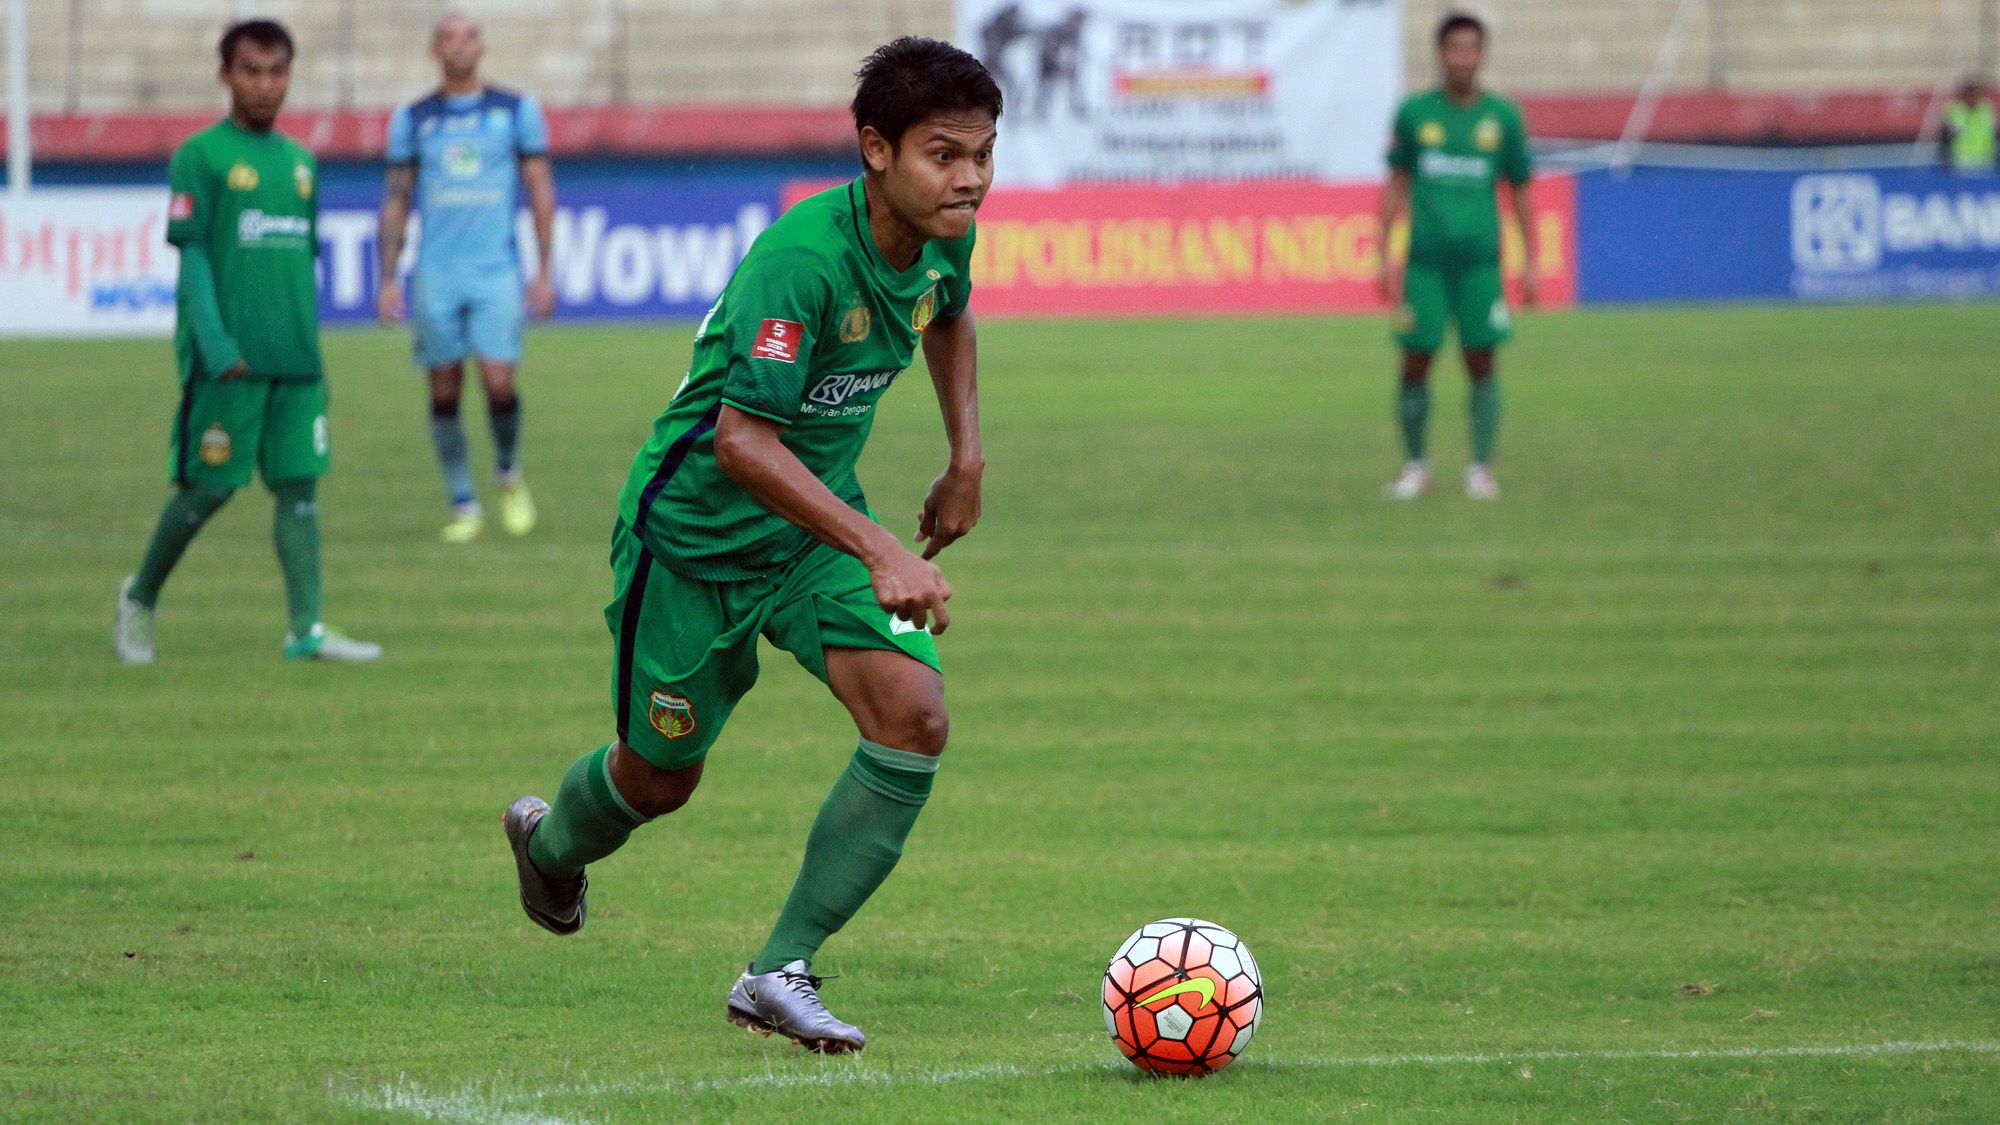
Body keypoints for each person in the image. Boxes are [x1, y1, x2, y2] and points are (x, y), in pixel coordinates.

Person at [501, 36, 999, 1054]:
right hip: (692, 540)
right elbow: (739, 441)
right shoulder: (800, 261)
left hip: (812, 534)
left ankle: (778, 970)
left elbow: (945, 314)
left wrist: (965, 456)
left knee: (913, 715)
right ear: (874, 151)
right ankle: (547, 845)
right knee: (658, 780)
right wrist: (880, 551)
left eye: (983, 154)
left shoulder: (942, 233)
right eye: (942, 155)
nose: (968, 180)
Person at [114, 20, 380, 665]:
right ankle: (140, 597)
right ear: (225, 75)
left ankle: (307, 631)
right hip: (227, 362)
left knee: (299, 488)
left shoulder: (300, 164)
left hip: (296, 360)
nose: (266, 85)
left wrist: (309, 350)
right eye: (252, 71)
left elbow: (299, 262)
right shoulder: (199, 156)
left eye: (277, 72)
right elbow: (195, 257)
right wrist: (213, 343)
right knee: (207, 489)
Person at [376, 11, 557, 543]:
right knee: (444, 386)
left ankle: (507, 471)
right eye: (448, 37)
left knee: (499, 379)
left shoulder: (516, 111)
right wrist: (387, 276)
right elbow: (397, 200)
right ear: (434, 51)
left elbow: (541, 190)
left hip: (495, 268)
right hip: (436, 270)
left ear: (482, 47)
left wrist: (544, 271)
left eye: (469, 35)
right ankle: (462, 502)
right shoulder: (413, 119)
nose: (459, 45)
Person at [1377, 11, 1536, 501]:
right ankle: (1416, 466)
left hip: (1480, 266)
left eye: (1472, 48)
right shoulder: (1415, 114)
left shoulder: (1502, 118)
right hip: (1425, 264)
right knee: (1415, 361)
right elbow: (1397, 185)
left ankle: (1480, 468)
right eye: (1454, 49)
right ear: (1440, 54)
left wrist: (1531, 261)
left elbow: (1521, 191)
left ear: (1482, 55)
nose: (1463, 58)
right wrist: (1384, 252)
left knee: (1482, 361)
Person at [1940, 78, 1996, 174]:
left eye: (1975, 94)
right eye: (1970, 94)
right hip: (1961, 160)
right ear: (1963, 95)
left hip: (1986, 159)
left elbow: (1993, 133)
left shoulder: (1986, 109)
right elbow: (1945, 136)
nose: (1973, 97)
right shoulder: (1954, 110)